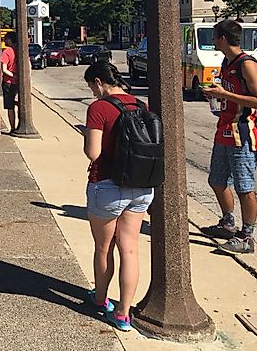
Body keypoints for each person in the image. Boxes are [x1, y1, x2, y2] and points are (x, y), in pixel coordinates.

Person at [83, 61, 154, 332]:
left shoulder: (99, 107)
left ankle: (101, 300)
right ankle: (123, 314)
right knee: (130, 249)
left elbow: (93, 153)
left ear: (99, 82)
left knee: (104, 248)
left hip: (107, 186)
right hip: (140, 187)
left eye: (92, 86)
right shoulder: (140, 105)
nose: (92, 92)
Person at [198, 19, 257, 254]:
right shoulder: (226, 63)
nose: (213, 41)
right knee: (216, 181)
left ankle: (247, 236)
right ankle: (228, 223)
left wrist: (224, 93)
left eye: (215, 37)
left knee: (244, 187)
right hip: (224, 130)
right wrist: (218, 97)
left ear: (223, 39)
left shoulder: (246, 64)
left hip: (243, 134)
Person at [0, 32, 18, 131]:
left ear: (10, 40)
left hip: (9, 82)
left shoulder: (7, 52)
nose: (4, 41)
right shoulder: (20, 50)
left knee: (10, 106)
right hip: (19, 83)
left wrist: (13, 76)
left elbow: (4, 69)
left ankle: (13, 128)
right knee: (17, 103)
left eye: (5, 39)